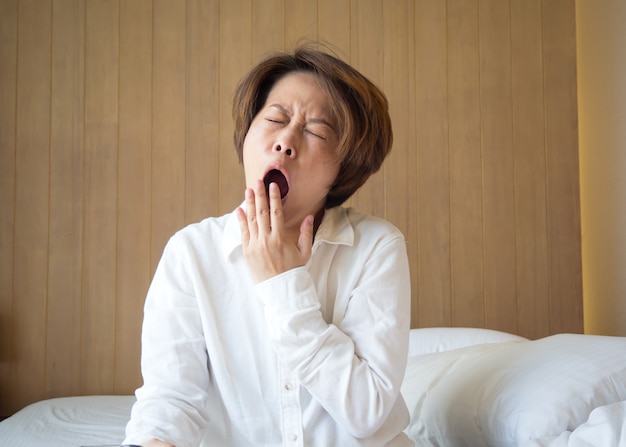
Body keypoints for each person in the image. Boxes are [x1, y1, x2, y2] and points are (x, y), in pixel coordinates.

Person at [122, 44, 413, 447]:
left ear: (344, 169)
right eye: (275, 119)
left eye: (316, 131)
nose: (286, 141)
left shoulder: (376, 247)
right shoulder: (191, 254)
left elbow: (367, 413)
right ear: (247, 137)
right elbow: (170, 406)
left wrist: (285, 285)